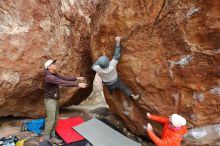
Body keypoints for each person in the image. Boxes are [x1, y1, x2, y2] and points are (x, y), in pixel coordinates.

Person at [42, 59, 88, 143]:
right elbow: (62, 82)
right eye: (53, 64)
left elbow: (64, 78)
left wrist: (76, 78)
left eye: (54, 64)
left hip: (54, 99)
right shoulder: (49, 77)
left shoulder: (54, 74)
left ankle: (52, 136)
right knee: (51, 119)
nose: (55, 65)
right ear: (48, 67)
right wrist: (78, 84)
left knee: (55, 118)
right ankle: (46, 137)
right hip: (50, 100)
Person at [91, 36, 139, 100]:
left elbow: (93, 67)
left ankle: (111, 93)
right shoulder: (112, 65)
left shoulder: (98, 69)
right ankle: (132, 95)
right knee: (124, 88)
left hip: (108, 84)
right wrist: (118, 41)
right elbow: (117, 54)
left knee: (110, 89)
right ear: (108, 62)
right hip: (116, 81)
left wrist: (99, 61)